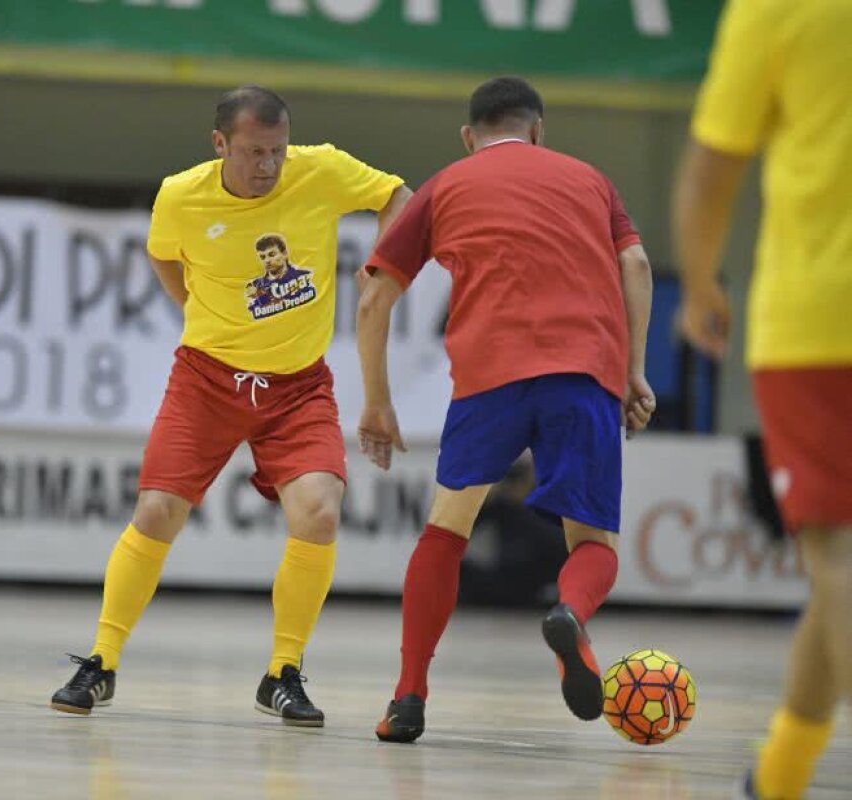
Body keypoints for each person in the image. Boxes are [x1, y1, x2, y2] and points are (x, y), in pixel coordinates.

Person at [49, 84, 411, 727]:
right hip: (207, 380)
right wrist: (197, 312)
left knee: (320, 514)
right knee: (157, 510)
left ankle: (283, 672)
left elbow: (396, 196)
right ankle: (101, 662)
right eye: (253, 152)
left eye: (277, 149)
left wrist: (385, 264)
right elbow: (163, 257)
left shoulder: (320, 168)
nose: (269, 164)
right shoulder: (181, 195)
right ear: (220, 145)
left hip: (297, 387)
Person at [355, 76, 654, 743]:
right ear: (539, 130)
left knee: (446, 530)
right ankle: (570, 613)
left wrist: (377, 401)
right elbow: (634, 264)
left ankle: (409, 696)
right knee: (591, 543)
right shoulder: (590, 180)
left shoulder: (444, 185)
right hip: (583, 371)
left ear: (470, 138)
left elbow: (374, 297)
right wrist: (633, 370)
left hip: (489, 376)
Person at [672, 2, 852, 797]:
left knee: (839, 558)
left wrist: (701, 279)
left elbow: (714, 166)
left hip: (820, 318)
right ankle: (777, 776)